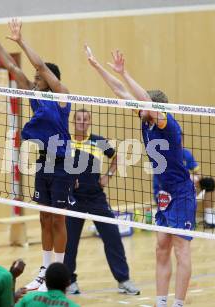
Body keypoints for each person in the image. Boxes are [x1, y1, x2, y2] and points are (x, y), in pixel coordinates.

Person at [85, 45, 195, 307]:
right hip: (164, 192)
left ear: (155, 108)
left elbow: (143, 99)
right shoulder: (145, 119)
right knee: (161, 247)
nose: (138, 107)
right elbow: (119, 91)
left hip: (181, 191)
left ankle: (178, 303)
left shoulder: (166, 123)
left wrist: (126, 72)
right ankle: (160, 302)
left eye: (144, 105)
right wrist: (98, 66)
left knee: (181, 248)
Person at [0, 18, 74, 291]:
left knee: (58, 218)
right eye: (33, 79)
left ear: (49, 79)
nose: (34, 80)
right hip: (43, 160)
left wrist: (21, 40)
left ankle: (60, 272)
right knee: (44, 217)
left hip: (63, 163)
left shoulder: (61, 95)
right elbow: (10, 67)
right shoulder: (35, 96)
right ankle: (45, 272)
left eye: (38, 78)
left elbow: (41, 66)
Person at [64, 108, 140, 295]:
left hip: (96, 197)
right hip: (74, 198)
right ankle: (69, 281)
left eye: (85, 119)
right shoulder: (65, 142)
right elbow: (57, 165)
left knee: (112, 236)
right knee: (70, 242)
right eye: (79, 119)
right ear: (73, 121)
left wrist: (108, 176)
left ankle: (123, 280)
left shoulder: (98, 141)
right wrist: (67, 179)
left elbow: (116, 158)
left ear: (89, 122)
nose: (82, 122)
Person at [153, 145, 215, 228]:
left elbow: (198, 174)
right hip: (166, 191)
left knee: (208, 183)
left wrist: (194, 178)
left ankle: (209, 219)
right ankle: (175, 220)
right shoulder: (164, 156)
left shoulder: (185, 153)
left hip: (185, 188)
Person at [15, 262, 80, 307]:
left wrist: (13, 297)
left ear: (45, 281)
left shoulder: (29, 298)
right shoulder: (73, 306)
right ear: (68, 283)